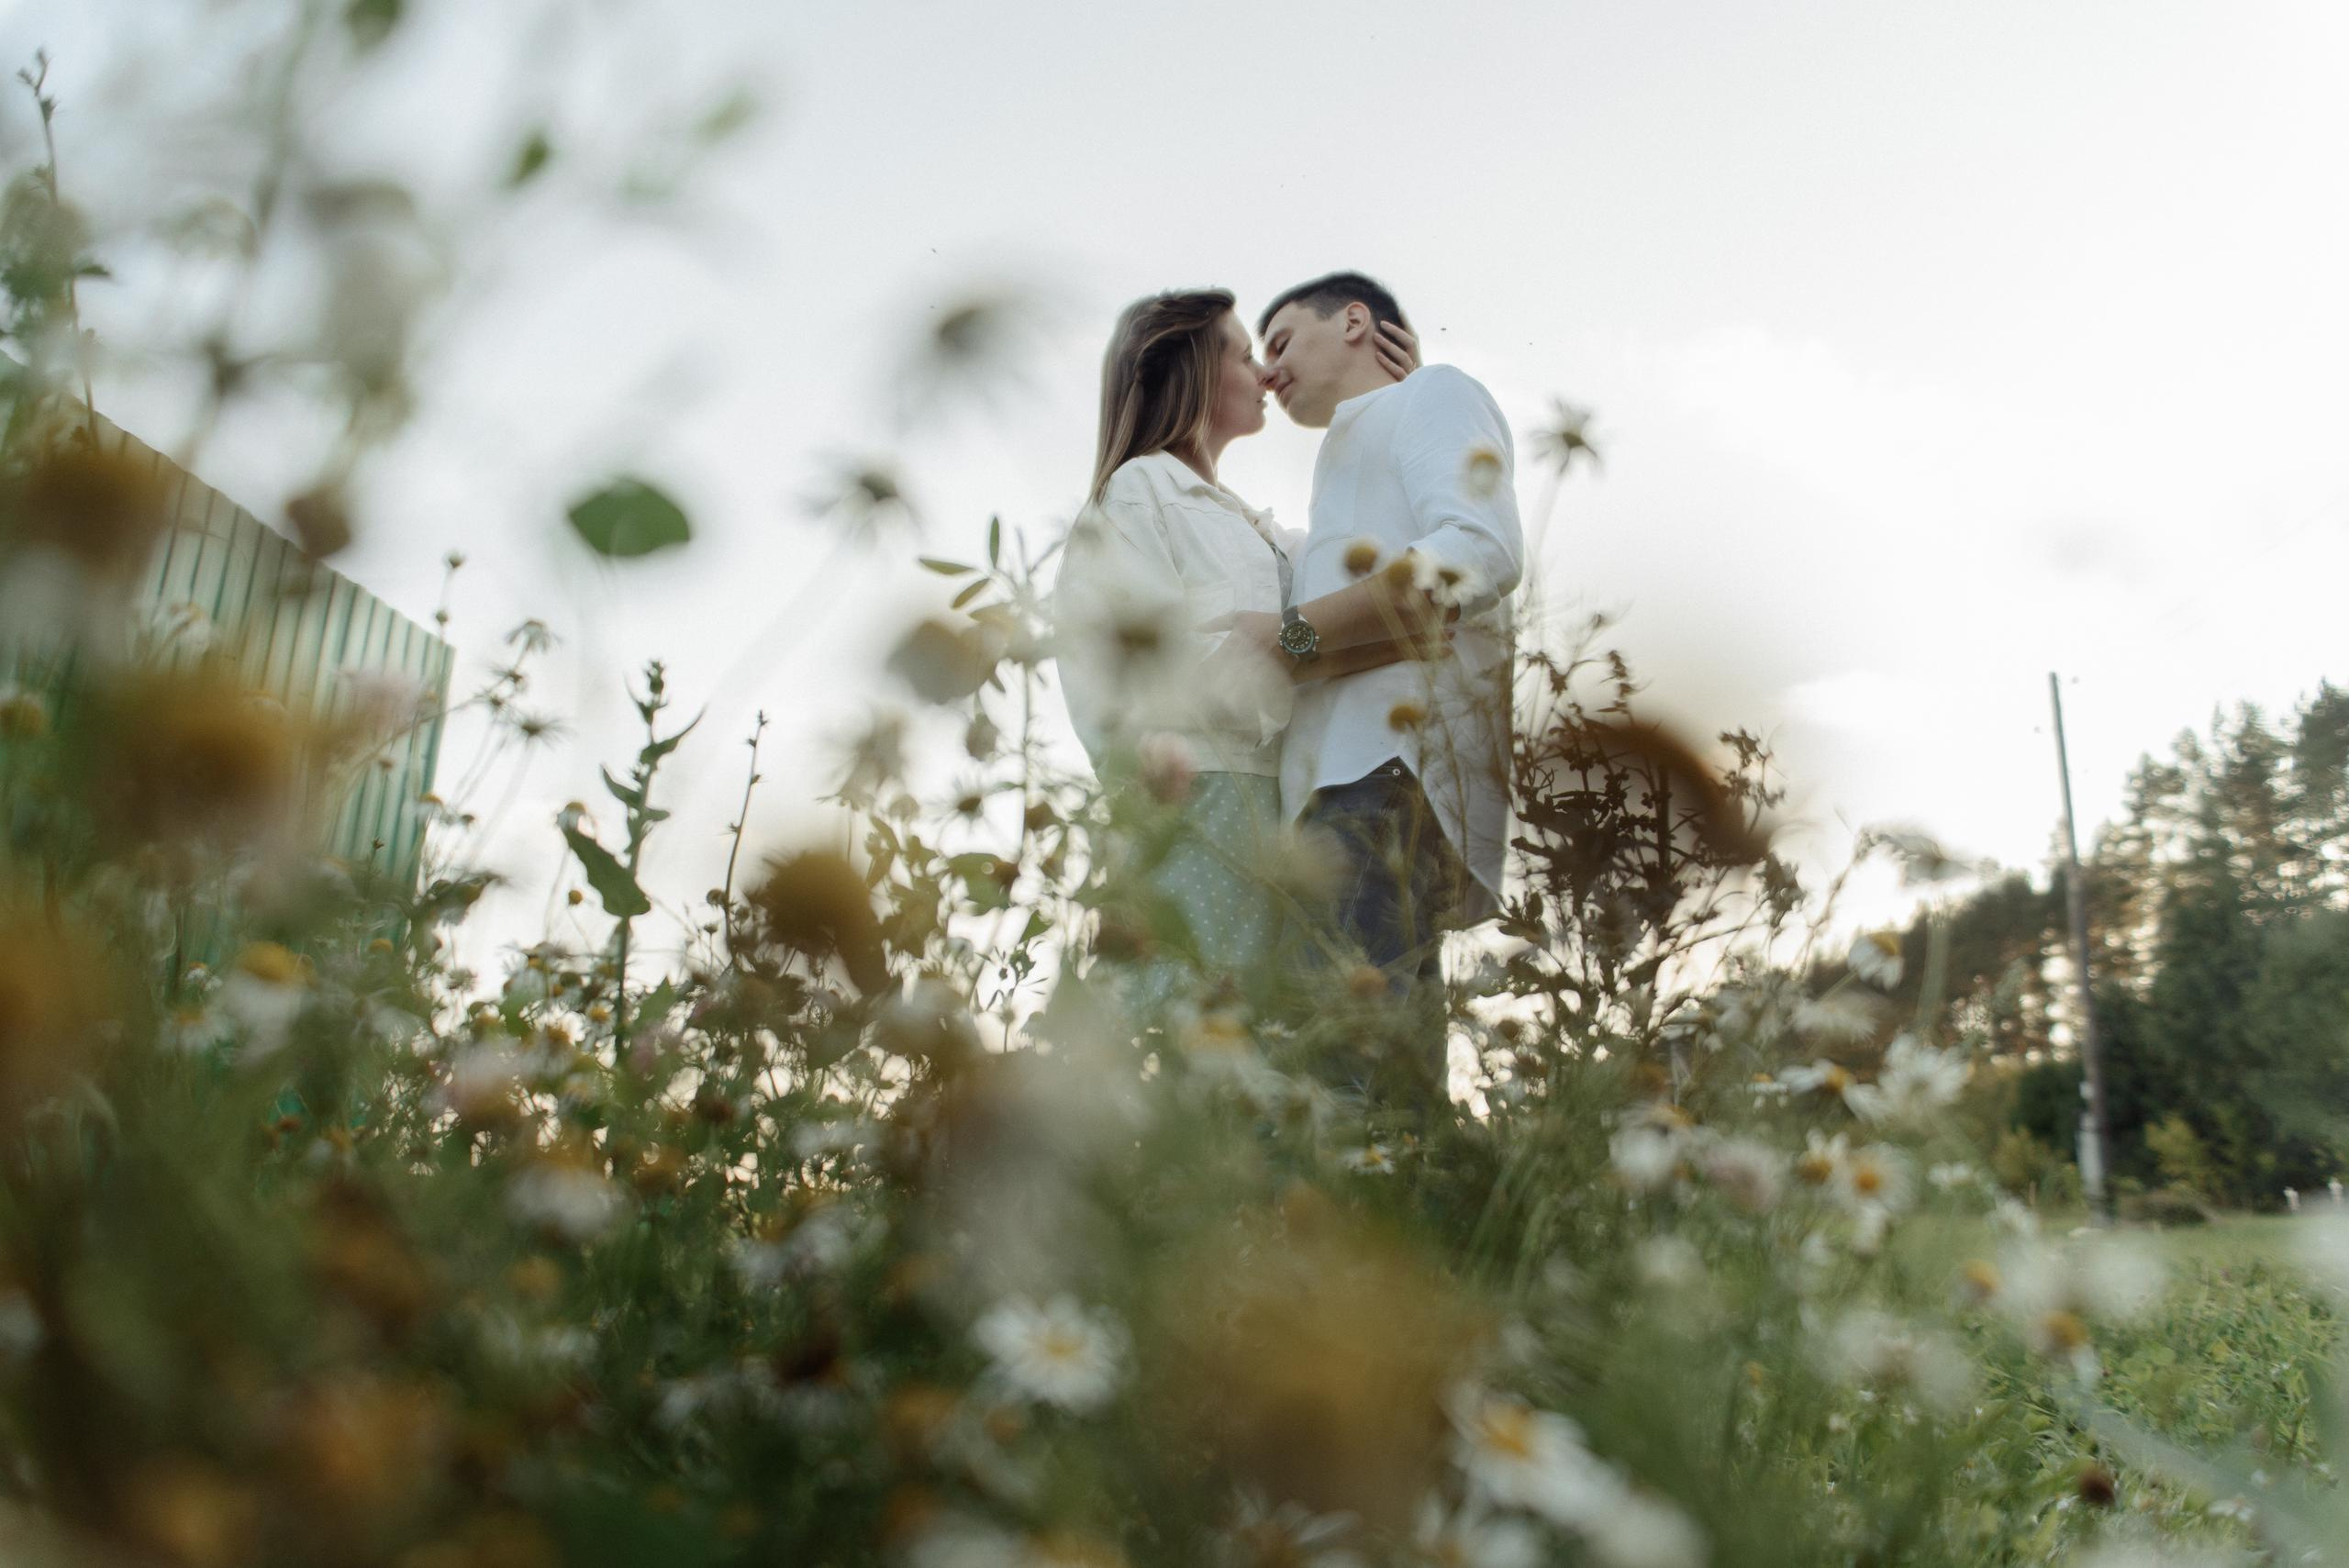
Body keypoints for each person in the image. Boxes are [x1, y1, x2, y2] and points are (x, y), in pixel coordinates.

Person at [1052, 288, 1429, 1005]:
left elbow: (1363, 584)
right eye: (1244, 354)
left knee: (1265, 1050)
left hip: (1278, 812)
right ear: (1192, 368)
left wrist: (1399, 405)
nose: (1264, 374)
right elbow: (1143, 677)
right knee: (1190, 1028)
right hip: (1201, 808)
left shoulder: (1257, 526)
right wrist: (1286, 650)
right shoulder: (1138, 493)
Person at [1241, 271, 1525, 1098]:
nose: (1267, 370)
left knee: (1355, 1085)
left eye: (1282, 341)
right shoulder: (1350, 459)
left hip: (1379, 778)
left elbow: (1481, 548)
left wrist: (1293, 639)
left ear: (1356, 321)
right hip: (1342, 789)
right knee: (1360, 1082)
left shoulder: (1431, 394)